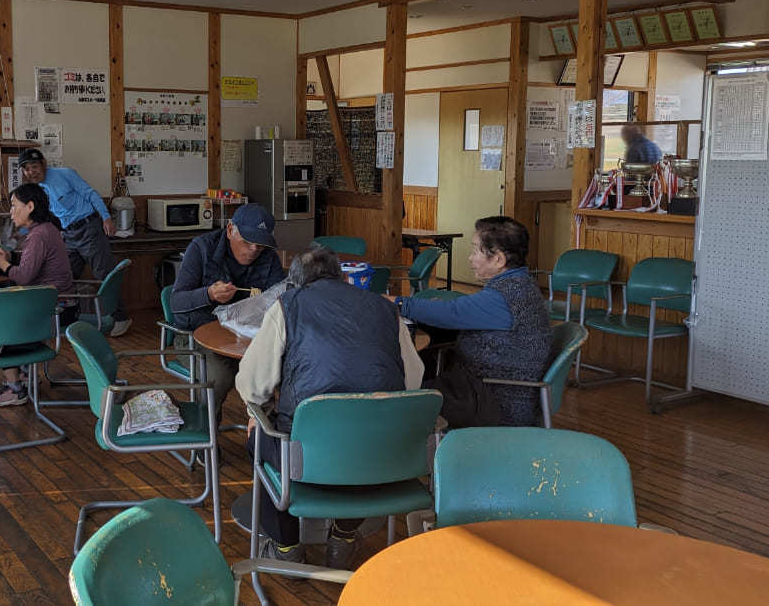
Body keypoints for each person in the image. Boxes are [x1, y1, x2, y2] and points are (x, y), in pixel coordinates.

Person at [236, 244, 423, 569]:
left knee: (259, 434)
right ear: (342, 278)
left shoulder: (288, 305)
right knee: (364, 437)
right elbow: (414, 380)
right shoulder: (386, 309)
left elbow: (252, 386)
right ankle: (343, 538)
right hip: (383, 456)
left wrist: (259, 412)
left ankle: (286, 548)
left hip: (308, 460)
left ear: (295, 284)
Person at [389, 216, 551, 426]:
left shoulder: (507, 295)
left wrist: (398, 303)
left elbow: (453, 312)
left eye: (475, 251)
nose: (470, 258)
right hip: (486, 386)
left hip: (493, 400)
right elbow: (463, 311)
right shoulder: (520, 284)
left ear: (498, 259)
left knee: (399, 398)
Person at [171, 204, 286, 425]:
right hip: (197, 337)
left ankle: (266, 436)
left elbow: (280, 298)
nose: (254, 249)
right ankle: (206, 435)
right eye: (248, 241)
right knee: (217, 377)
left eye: (260, 244)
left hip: (248, 338)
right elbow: (176, 301)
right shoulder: (202, 248)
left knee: (281, 370)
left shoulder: (267, 257)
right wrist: (208, 294)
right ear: (231, 229)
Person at [0, 183, 78, 407]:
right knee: (6, 317)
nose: (11, 212)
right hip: (59, 306)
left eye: (15, 206)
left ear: (30, 207)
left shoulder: (39, 235)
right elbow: (31, 263)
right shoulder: (45, 229)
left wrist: (1, 263)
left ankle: (15, 388)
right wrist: (9, 257)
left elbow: (24, 277)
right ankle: (23, 375)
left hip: (54, 311)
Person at [18, 148, 131, 336]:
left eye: (34, 166)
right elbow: (46, 216)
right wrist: (25, 233)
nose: (31, 172)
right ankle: (67, 317)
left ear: (43, 164)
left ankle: (121, 318)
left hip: (89, 228)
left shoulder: (65, 174)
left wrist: (106, 218)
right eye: (27, 169)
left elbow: (91, 194)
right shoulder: (37, 190)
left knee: (104, 274)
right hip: (68, 235)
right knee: (64, 276)